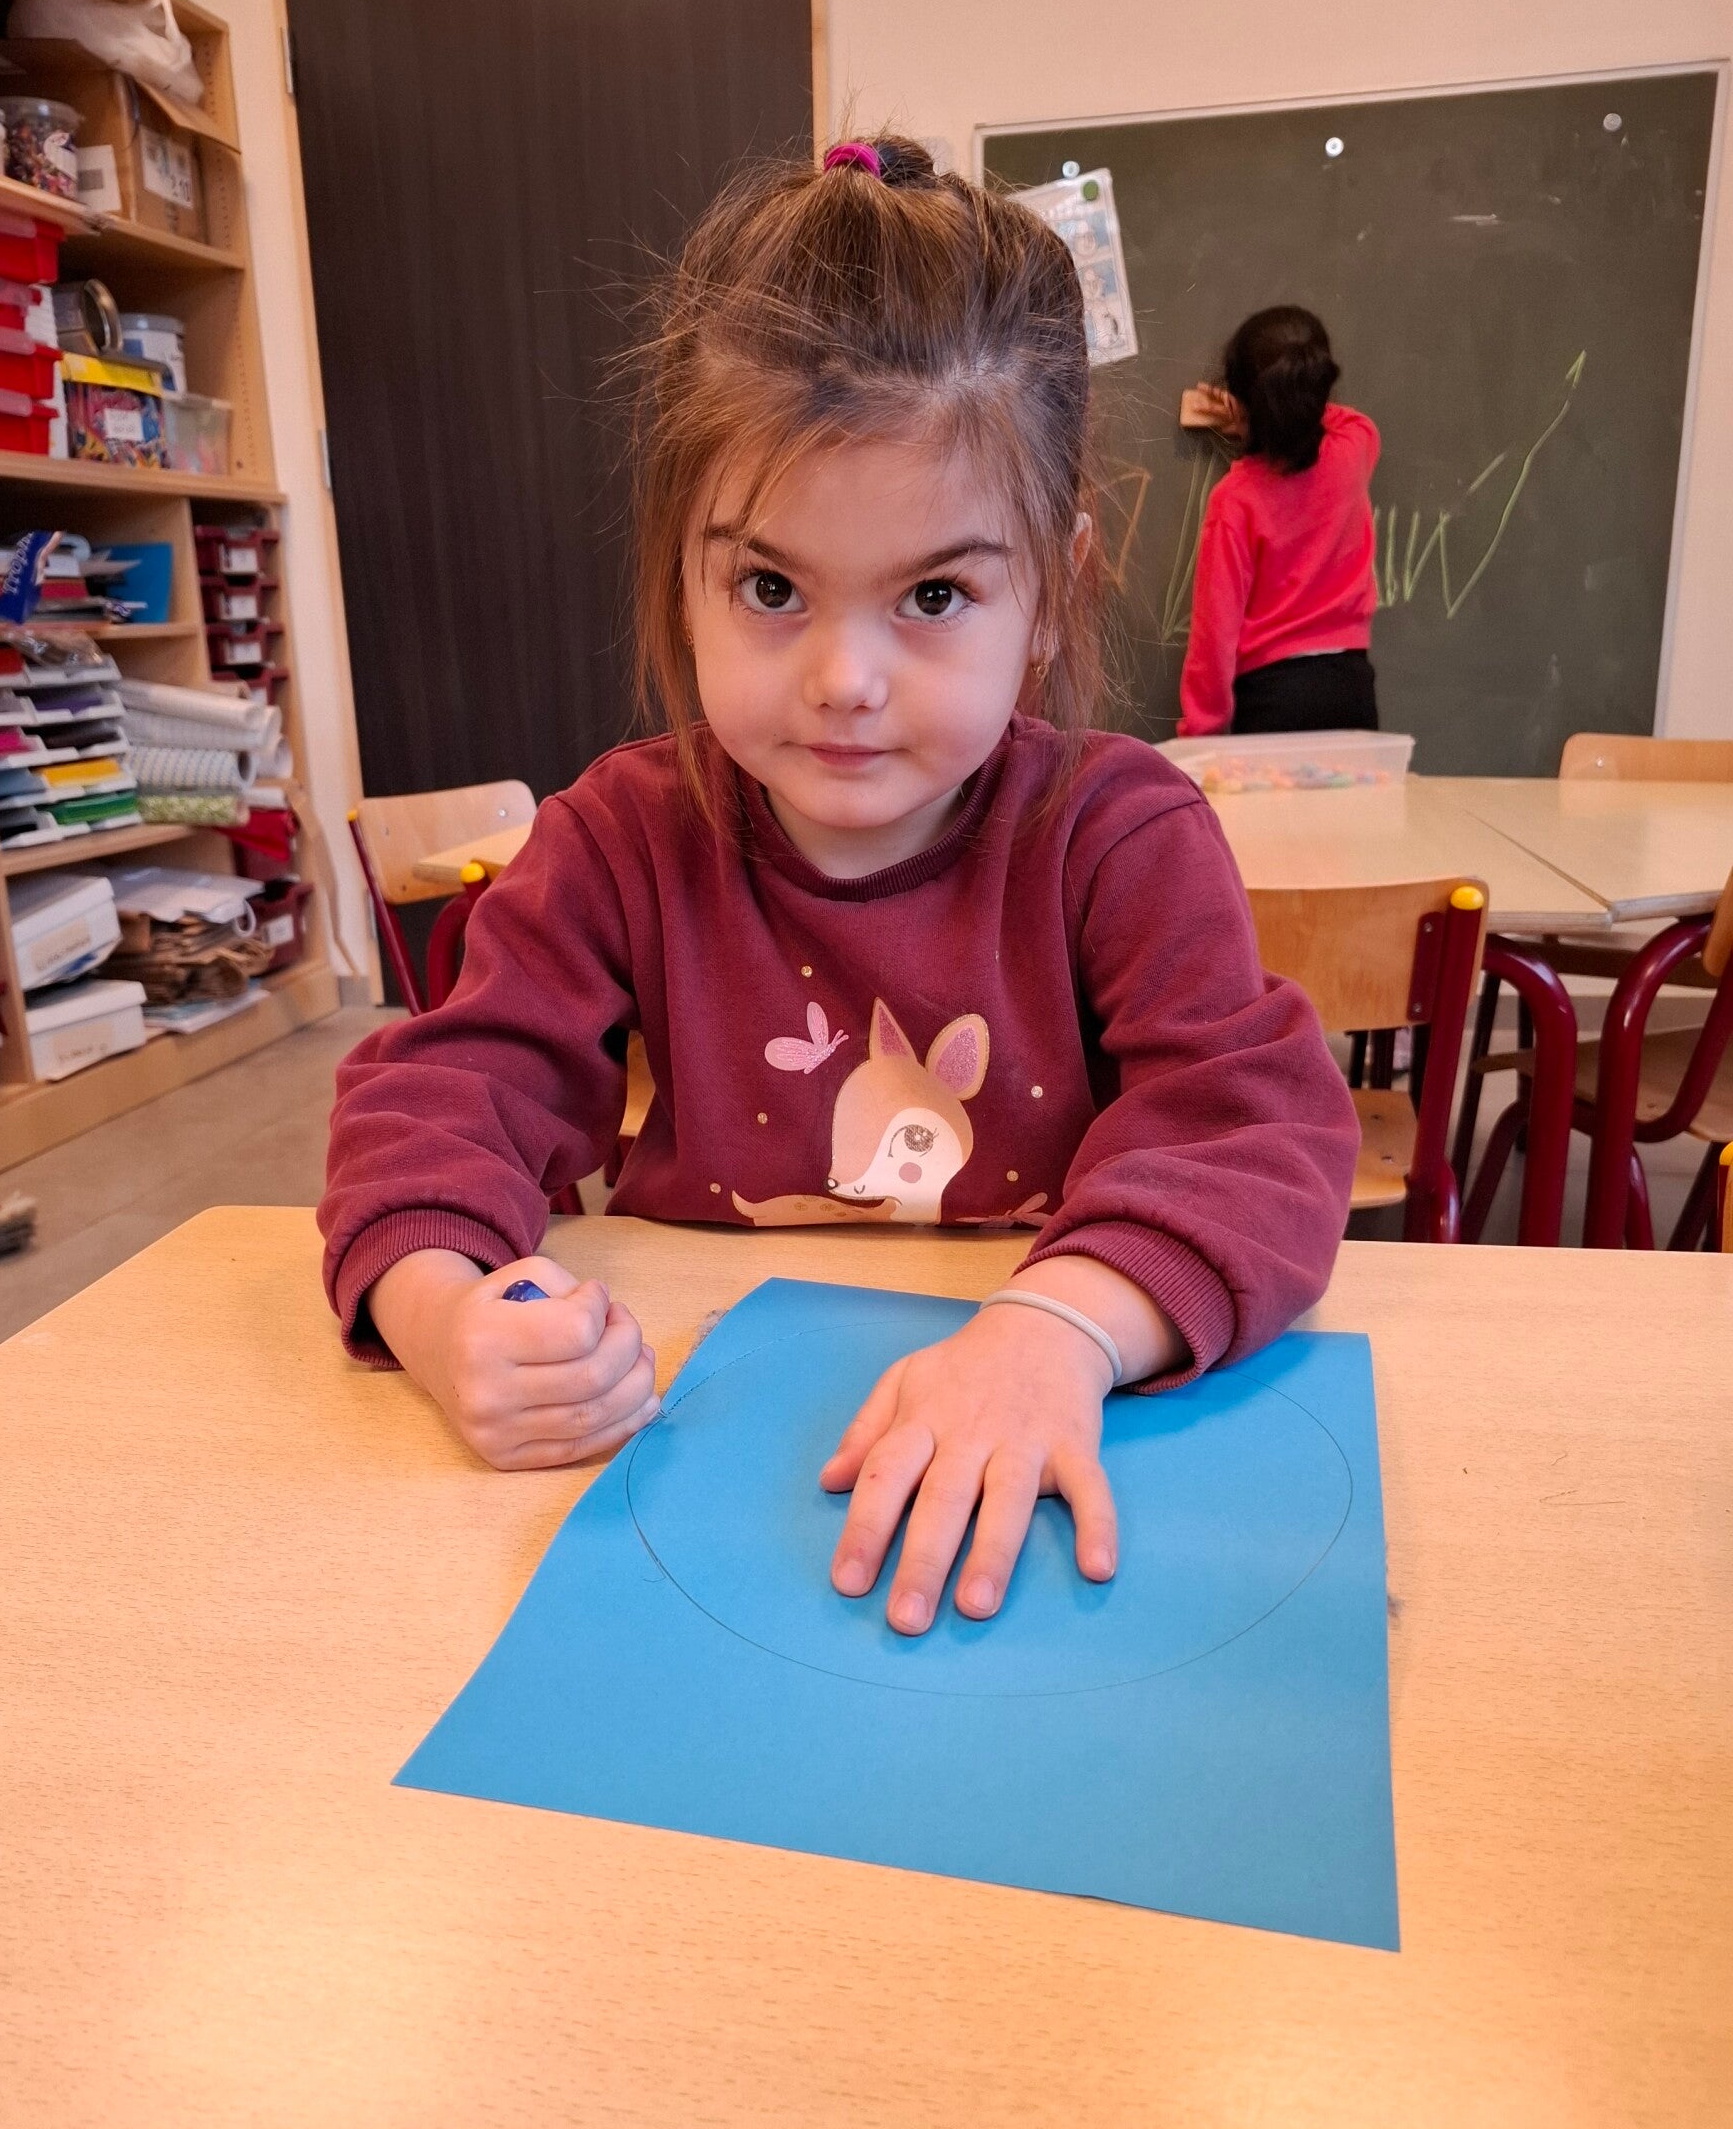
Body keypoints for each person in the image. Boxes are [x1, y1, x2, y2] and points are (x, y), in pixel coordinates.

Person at [320, 138, 1359, 1636]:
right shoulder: (620, 838)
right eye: (770, 588)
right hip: (699, 1488)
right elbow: (441, 1097)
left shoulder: (1121, 837)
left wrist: (1059, 1329)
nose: (844, 680)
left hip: (1054, 1454)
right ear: (682, 574)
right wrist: (439, 1312)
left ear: (1053, 588)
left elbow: (1255, 1134)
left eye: (934, 595)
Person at [1177, 306, 1381, 736]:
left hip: (1271, 701)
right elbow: (1348, 419)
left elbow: (1214, 637)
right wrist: (1267, 415)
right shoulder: (1355, 450)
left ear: (1241, 401)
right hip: (1352, 692)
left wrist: (1201, 733)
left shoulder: (1235, 501)